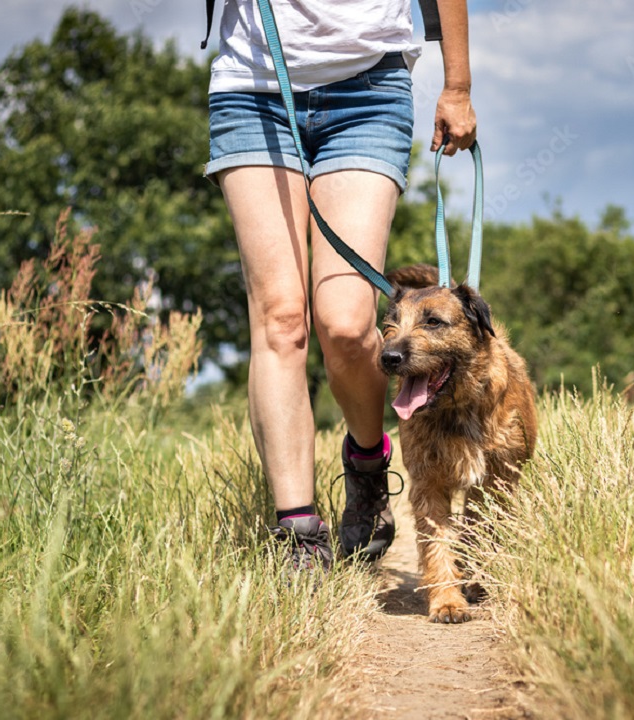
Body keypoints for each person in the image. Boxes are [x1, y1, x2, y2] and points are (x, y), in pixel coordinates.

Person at [204, 0, 477, 570]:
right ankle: (298, 531)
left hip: (368, 88)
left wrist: (457, 85)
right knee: (280, 318)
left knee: (348, 326)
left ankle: (368, 465)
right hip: (252, 85)